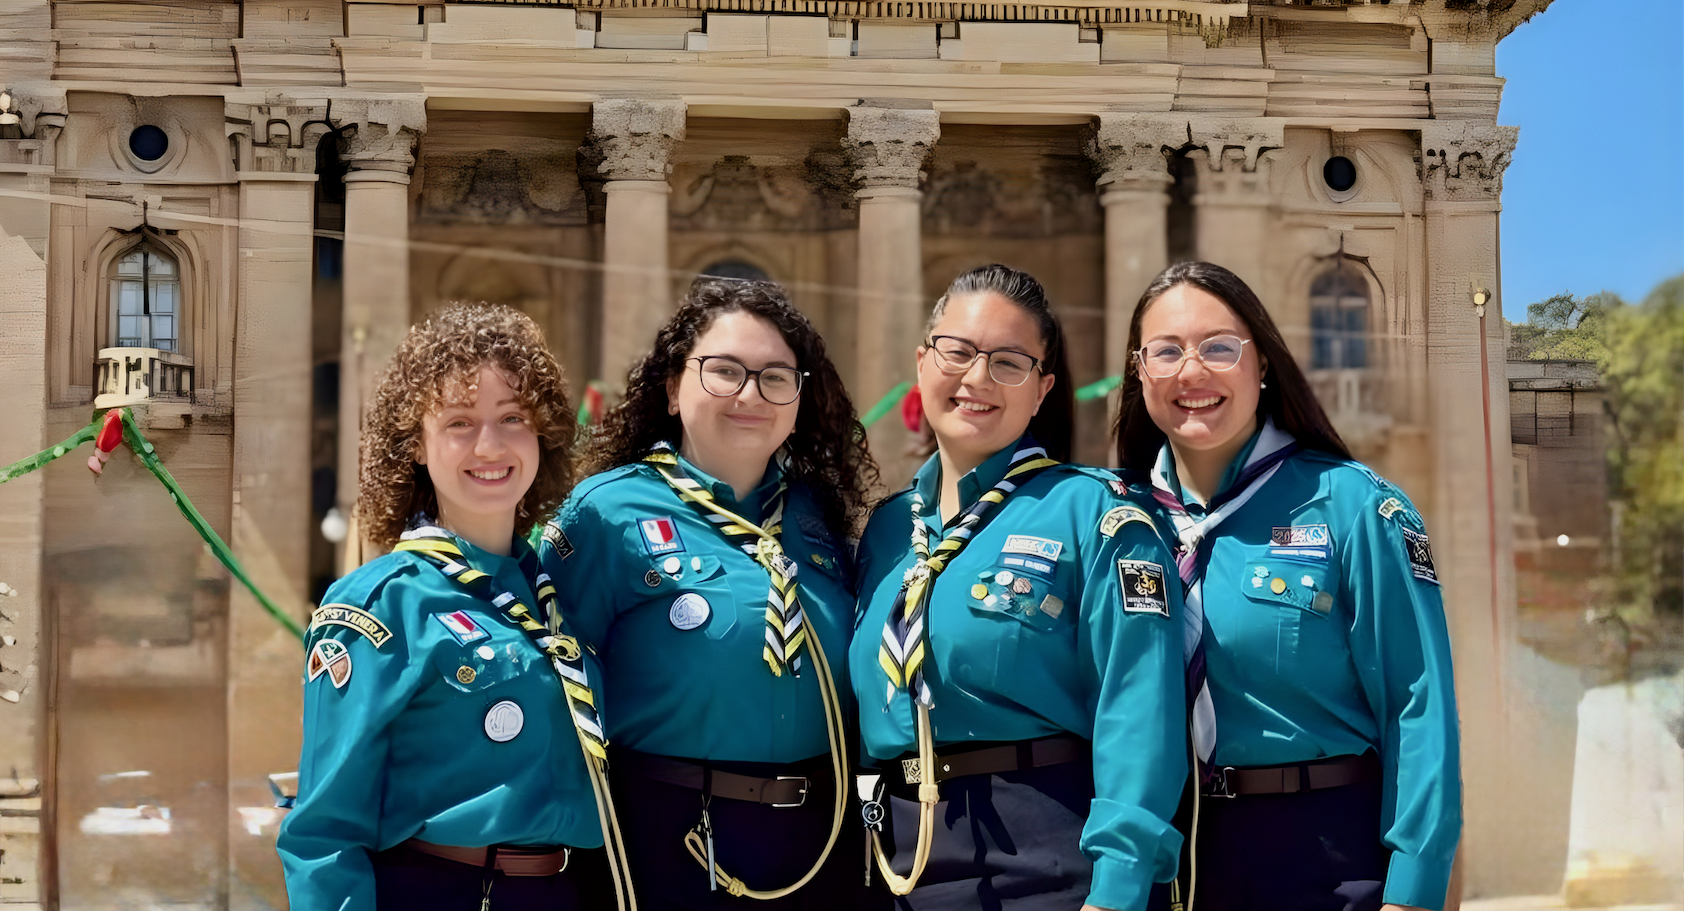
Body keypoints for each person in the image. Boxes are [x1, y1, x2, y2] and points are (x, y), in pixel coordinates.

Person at [1112, 260, 1461, 911]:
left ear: (1263, 363)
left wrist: (1415, 891)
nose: (1192, 372)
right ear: (1139, 371)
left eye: (1220, 347)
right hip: (1166, 860)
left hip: (1322, 854)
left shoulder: (1352, 506)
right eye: (1166, 351)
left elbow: (1419, 706)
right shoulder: (1115, 521)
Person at [850, 263, 1187, 911]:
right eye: (959, 352)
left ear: (1042, 390)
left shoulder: (1096, 515)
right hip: (899, 864)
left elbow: (1140, 712)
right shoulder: (888, 531)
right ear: (923, 364)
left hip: (1048, 864)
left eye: (1009, 362)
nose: (977, 378)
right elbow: (865, 728)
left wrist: (1117, 889)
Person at [540, 278, 880, 910]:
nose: (750, 394)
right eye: (724, 371)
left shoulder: (818, 518)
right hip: (667, 841)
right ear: (673, 387)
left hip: (820, 842)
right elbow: (554, 690)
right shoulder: (605, 514)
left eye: (776, 376)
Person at [278, 303, 629, 911]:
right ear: (417, 445)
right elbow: (324, 833)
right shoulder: (381, 604)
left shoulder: (555, 596)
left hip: (567, 890)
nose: (490, 445)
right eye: (460, 422)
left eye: (512, 417)